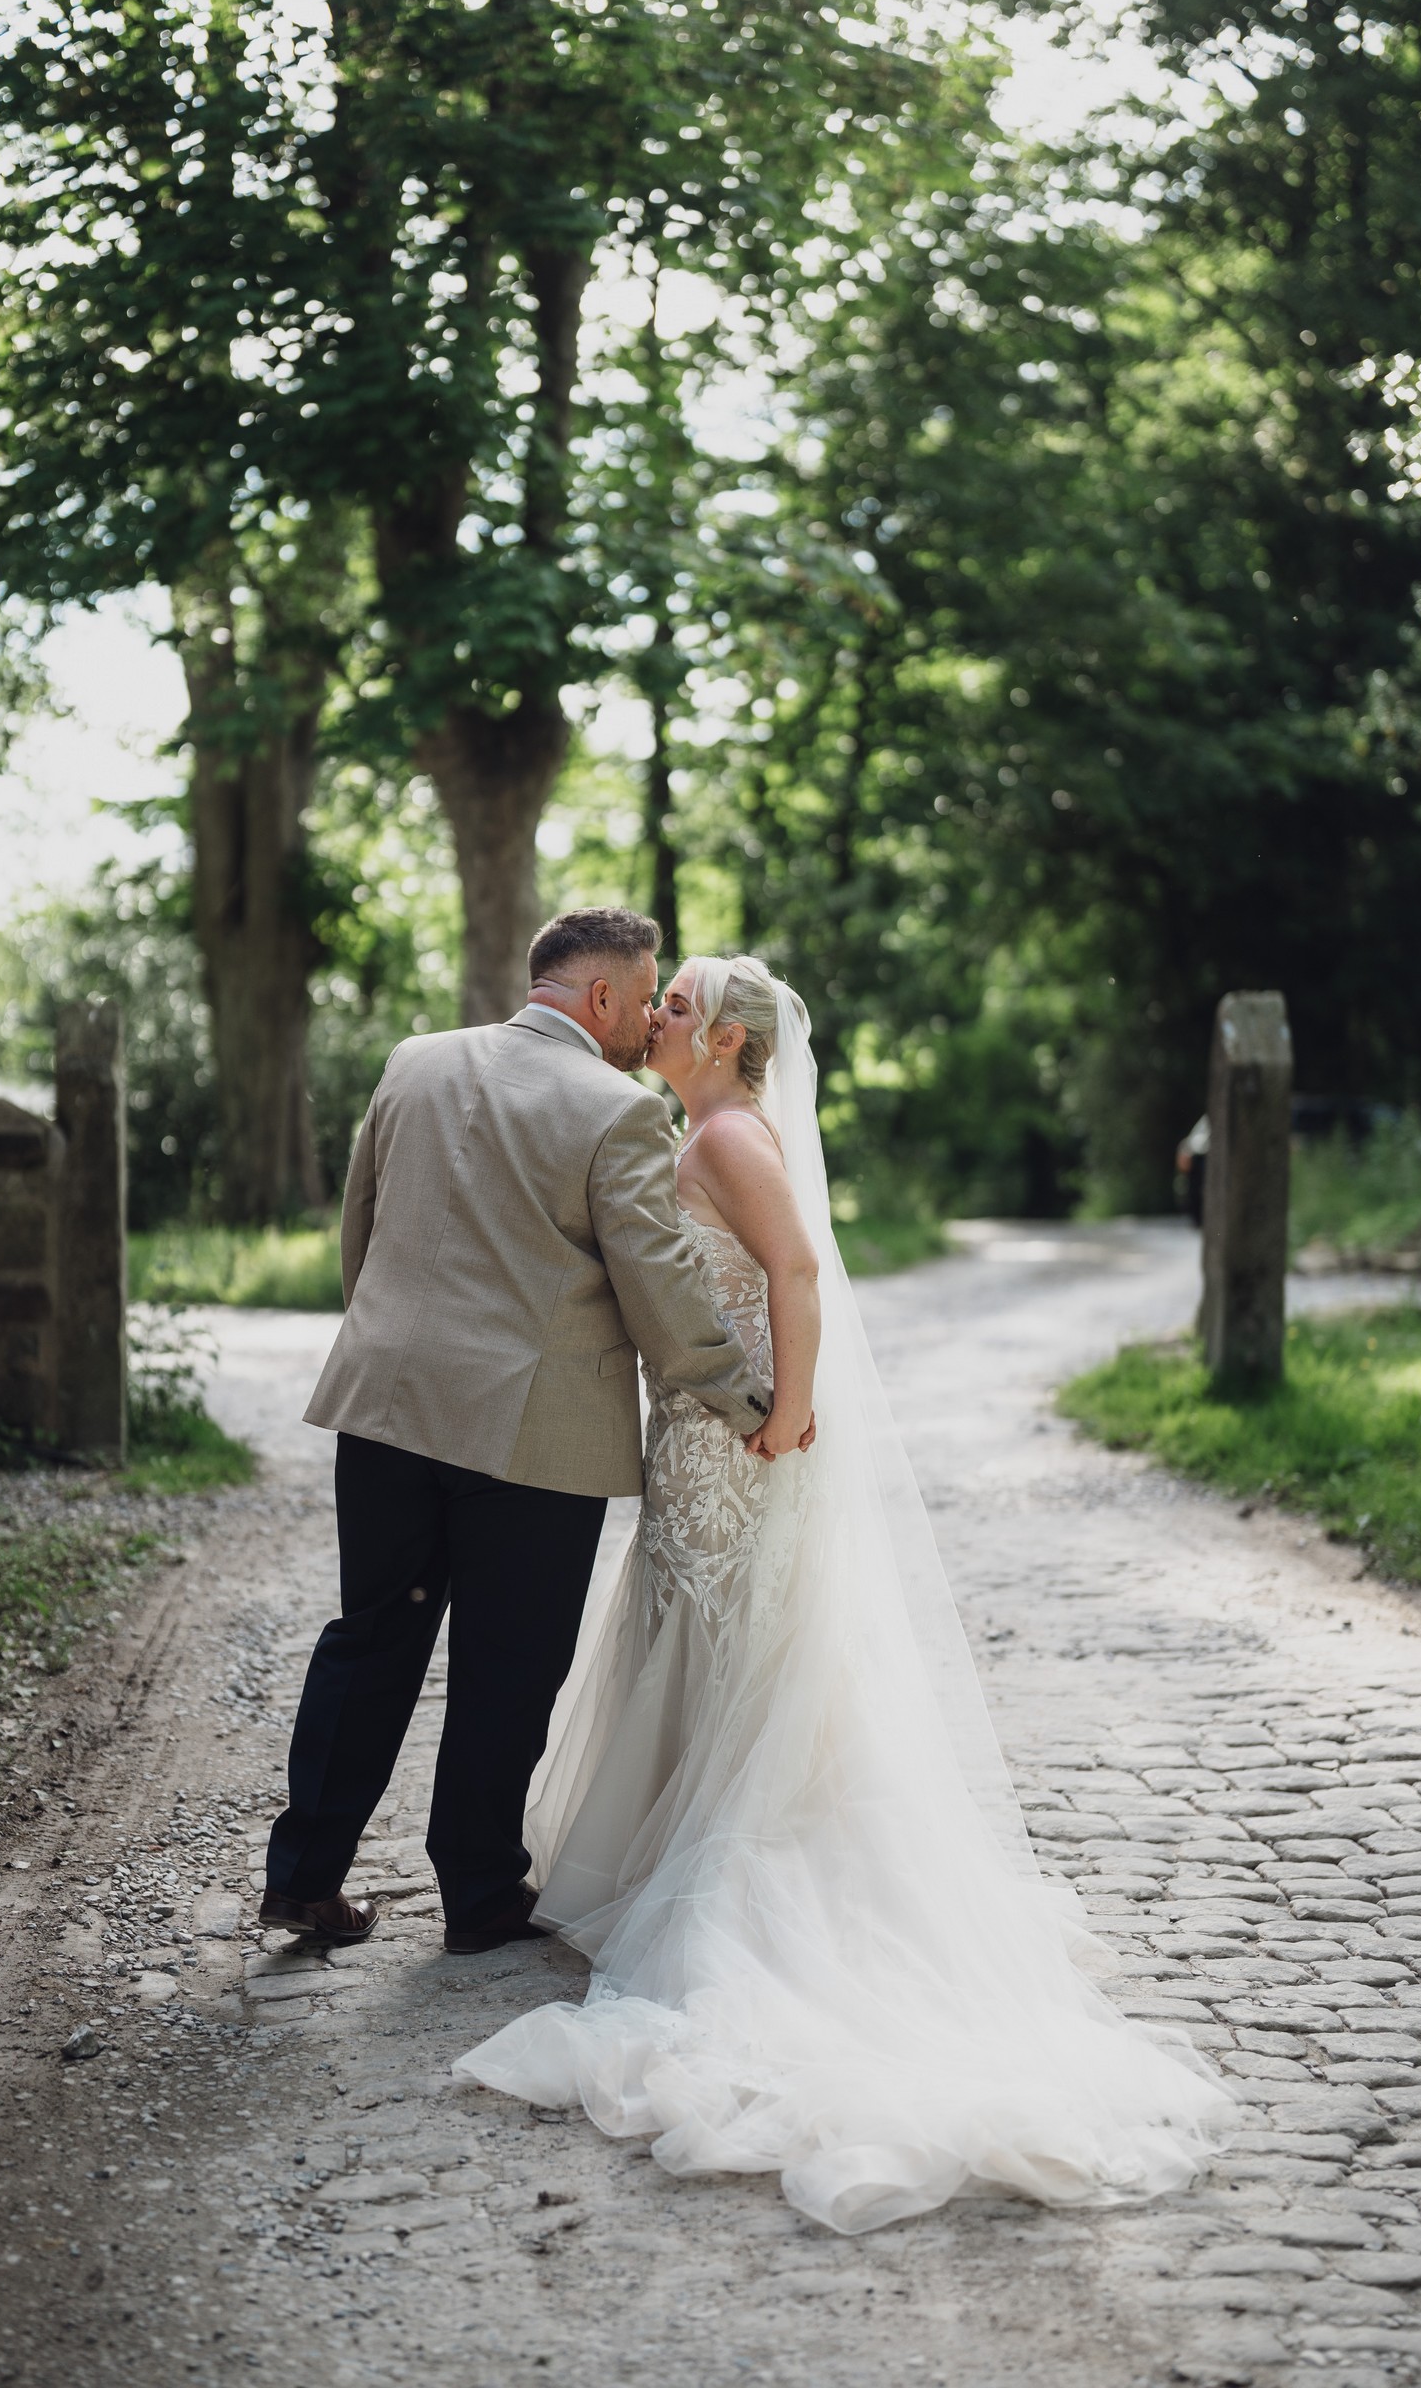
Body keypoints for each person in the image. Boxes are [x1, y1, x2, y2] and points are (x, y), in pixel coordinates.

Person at [457, 953, 1235, 2232]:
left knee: (736, 1637)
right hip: (702, 1439)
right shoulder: (700, 1122)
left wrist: (789, 1418)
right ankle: (664, 1839)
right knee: (703, 1634)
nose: (654, 1012)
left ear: (717, 1036)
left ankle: (727, 1862)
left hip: (742, 1444)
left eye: (675, 1001)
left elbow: (797, 1274)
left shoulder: (726, 1138)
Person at [259, 909, 773, 1956]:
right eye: (641, 1001)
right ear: (597, 1000)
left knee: (371, 1639)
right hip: (530, 1442)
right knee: (507, 1663)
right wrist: (743, 1399)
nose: (645, 1022)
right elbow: (662, 1296)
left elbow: (361, 1232)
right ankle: (480, 1894)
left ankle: (304, 1877)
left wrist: (393, 1352)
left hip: (387, 1412)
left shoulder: (414, 1062)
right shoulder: (617, 1111)